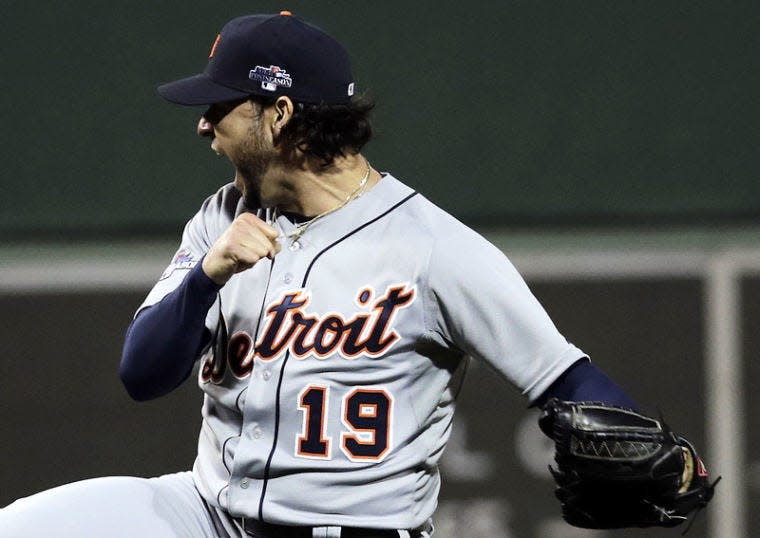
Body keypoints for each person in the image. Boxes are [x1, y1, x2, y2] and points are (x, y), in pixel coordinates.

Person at [2, 11, 663, 538]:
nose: (204, 125)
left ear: (280, 114)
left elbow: (567, 380)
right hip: (207, 514)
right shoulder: (221, 220)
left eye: (221, 107)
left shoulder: (434, 249)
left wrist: (671, 461)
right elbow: (141, 374)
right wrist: (207, 274)